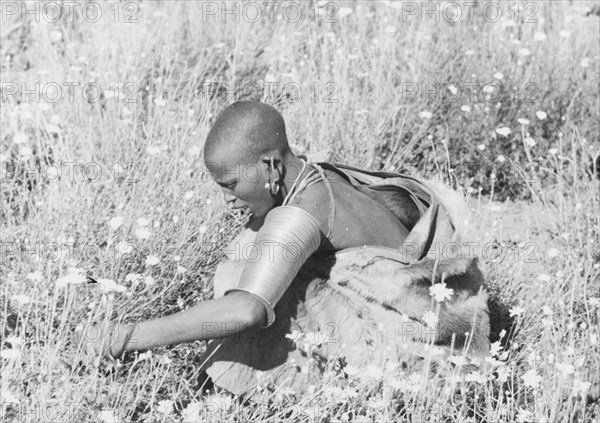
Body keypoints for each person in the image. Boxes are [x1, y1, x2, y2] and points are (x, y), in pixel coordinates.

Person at [76, 101, 490, 396]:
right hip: (441, 319)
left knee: (247, 279)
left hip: (415, 353)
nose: (227, 199)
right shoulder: (318, 173)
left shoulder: (299, 215)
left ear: (272, 166)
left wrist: (119, 338)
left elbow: (246, 309)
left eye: (232, 185)